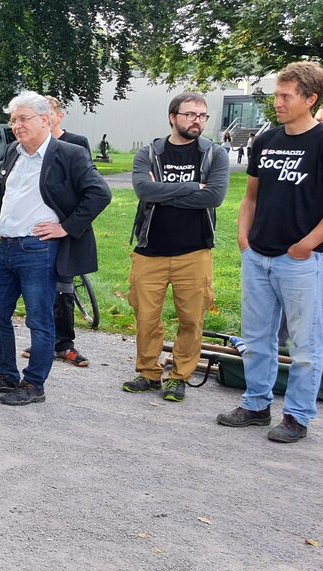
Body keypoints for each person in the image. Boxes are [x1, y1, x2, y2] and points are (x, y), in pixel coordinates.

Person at [0, 91, 110, 406]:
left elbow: (99, 194)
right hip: (7, 249)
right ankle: (6, 375)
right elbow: (2, 193)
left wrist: (66, 227)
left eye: (22, 119)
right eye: (13, 120)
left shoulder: (68, 153)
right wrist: (2, 221)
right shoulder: (12, 152)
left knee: (39, 319)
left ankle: (34, 385)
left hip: (39, 250)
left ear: (45, 120)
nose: (16, 125)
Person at [215, 61, 323, 444]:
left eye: (285, 96)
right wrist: (244, 237)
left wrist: (305, 246)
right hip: (257, 256)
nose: (277, 102)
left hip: (301, 261)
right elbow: (251, 196)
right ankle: (256, 404)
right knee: (257, 337)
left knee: (305, 343)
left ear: (310, 99)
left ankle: (296, 415)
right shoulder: (266, 140)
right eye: (276, 94)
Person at [124, 92, 230, 402]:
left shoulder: (214, 155)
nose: (197, 121)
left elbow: (213, 197)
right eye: (190, 115)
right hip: (149, 251)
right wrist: (191, 187)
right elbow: (143, 189)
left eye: (202, 116)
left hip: (194, 251)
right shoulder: (149, 153)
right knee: (146, 316)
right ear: (173, 117)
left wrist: (164, 191)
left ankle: (179, 376)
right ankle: (148, 373)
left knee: (191, 319)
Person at [21, 96, 93, 367]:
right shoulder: (24, 148)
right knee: (40, 291)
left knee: (63, 289)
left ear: (58, 116)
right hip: (35, 236)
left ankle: (64, 344)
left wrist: (68, 225)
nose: (45, 118)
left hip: (63, 231)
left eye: (49, 113)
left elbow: (90, 188)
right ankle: (44, 342)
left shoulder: (75, 144)